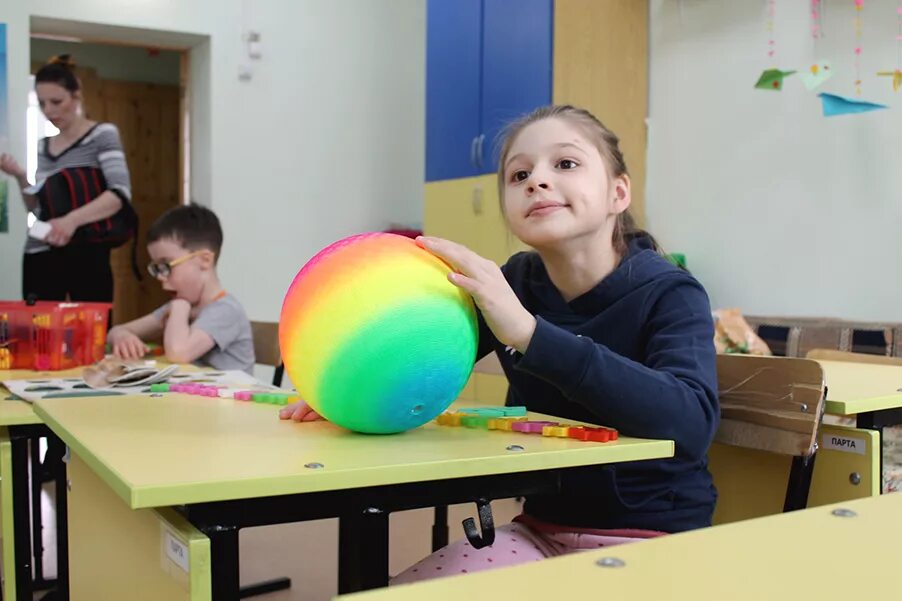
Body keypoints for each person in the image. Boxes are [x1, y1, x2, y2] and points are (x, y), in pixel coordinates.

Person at [281, 105, 719, 579]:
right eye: (519, 174)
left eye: (565, 164)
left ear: (618, 192)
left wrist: (530, 335)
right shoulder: (518, 281)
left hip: (653, 538)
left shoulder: (671, 292)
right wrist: (349, 392)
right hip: (539, 529)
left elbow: (691, 424)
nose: (537, 181)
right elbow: (424, 356)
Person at [0, 54, 136, 302]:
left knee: (90, 328)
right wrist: (20, 176)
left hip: (87, 249)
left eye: (56, 101)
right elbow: (36, 207)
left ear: (76, 96)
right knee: (40, 328)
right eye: (42, 103)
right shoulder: (42, 147)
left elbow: (119, 194)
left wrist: (70, 221)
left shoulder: (102, 135)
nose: (48, 111)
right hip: (40, 249)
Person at [107, 204, 255, 373]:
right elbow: (117, 330)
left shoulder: (226, 310)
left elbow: (179, 352)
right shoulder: (183, 305)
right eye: (157, 268)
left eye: (166, 265)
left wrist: (179, 308)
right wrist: (122, 336)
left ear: (204, 260)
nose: (161, 276)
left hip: (233, 398)